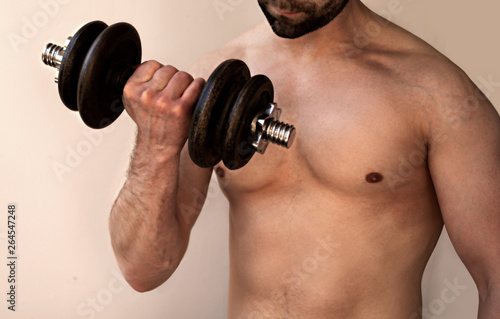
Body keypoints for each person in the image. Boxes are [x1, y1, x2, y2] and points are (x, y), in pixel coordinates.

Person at [108, 0, 500, 318]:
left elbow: (495, 278)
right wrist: (154, 144)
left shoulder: (438, 94)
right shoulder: (215, 81)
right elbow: (144, 269)